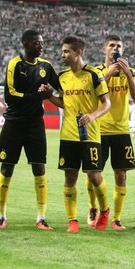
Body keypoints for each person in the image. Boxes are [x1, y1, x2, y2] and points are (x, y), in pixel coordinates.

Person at [0, 30, 60, 231]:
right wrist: (39, 96)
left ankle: (41, 217)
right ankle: (1, 215)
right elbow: (11, 95)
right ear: (25, 44)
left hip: (35, 125)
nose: (41, 46)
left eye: (41, 42)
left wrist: (50, 93)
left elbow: (60, 87)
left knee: (39, 168)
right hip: (13, 123)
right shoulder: (15, 64)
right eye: (36, 43)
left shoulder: (46, 66)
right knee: (7, 168)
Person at [45, 35, 111, 233]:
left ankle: (105, 211)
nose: (62, 55)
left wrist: (92, 115)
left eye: (66, 51)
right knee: (70, 177)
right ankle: (72, 220)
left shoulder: (93, 75)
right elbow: (64, 103)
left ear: (78, 53)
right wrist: (48, 96)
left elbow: (107, 103)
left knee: (93, 175)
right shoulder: (62, 77)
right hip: (68, 134)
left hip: (90, 134)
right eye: (63, 51)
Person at [87, 35, 135, 230]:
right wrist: (108, 74)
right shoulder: (97, 72)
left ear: (123, 50)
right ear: (104, 49)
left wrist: (126, 73)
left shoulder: (131, 72)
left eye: (118, 46)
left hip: (121, 130)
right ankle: (93, 208)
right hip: (98, 129)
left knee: (121, 174)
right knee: (93, 173)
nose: (115, 48)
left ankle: (116, 218)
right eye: (111, 45)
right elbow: (91, 93)